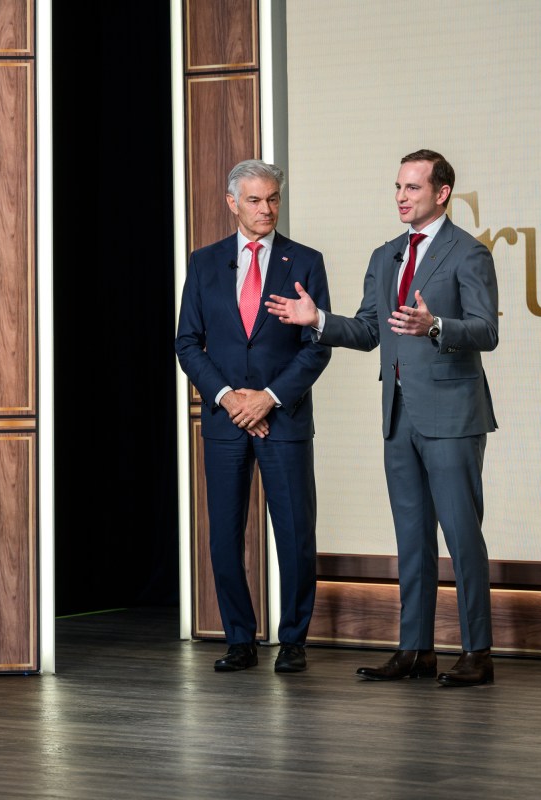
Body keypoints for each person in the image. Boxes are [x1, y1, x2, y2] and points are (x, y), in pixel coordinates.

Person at [265, 149, 498, 687]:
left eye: (412, 188)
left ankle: (476, 652)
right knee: (411, 537)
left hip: (453, 415)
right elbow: (370, 331)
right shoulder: (386, 254)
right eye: (397, 186)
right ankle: (415, 650)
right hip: (398, 414)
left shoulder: (469, 253)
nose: (401, 196)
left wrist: (436, 324)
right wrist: (317, 319)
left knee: (462, 535)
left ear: (441, 194)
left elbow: (486, 330)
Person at [175, 160, 331, 673]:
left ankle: (293, 641)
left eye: (274, 200)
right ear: (232, 203)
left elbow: (316, 346)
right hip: (225, 421)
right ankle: (239, 639)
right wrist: (229, 397)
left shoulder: (305, 261)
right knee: (224, 535)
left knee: (294, 533)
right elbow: (187, 343)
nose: (266, 210)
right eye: (256, 200)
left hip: (283, 419)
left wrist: (267, 398)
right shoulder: (203, 263)